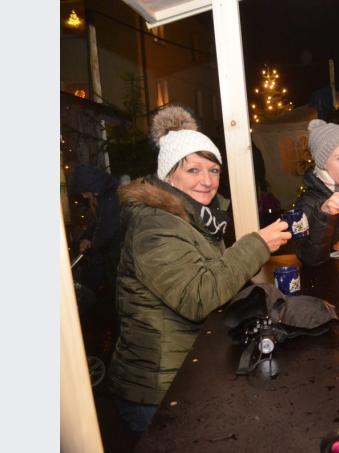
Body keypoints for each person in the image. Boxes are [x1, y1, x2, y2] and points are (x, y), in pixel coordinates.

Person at [107, 105, 291, 433]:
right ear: (168, 175)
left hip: (187, 371)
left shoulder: (195, 218)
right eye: (193, 170)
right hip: (157, 389)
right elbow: (199, 296)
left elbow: (219, 278)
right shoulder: (154, 225)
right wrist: (257, 245)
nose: (207, 181)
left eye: (213, 170)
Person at [295, 119, 339, 266]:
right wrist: (324, 214)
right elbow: (308, 259)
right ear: (323, 162)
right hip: (328, 284)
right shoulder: (307, 202)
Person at [68, 164, 122, 298]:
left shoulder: (112, 197)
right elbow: (98, 222)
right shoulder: (104, 195)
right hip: (113, 257)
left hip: (120, 258)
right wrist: (86, 238)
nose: (84, 196)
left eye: (83, 191)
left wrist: (91, 247)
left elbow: (105, 231)